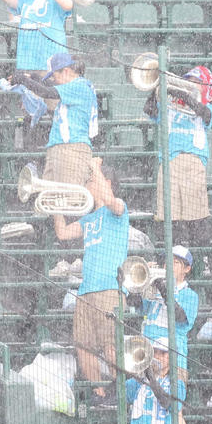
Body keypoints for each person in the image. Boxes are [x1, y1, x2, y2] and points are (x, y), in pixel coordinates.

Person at [53, 158, 129, 403]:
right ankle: (99, 391)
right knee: (83, 346)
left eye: (91, 181)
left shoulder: (118, 210)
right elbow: (63, 233)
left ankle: (118, 389)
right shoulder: (88, 219)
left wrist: (95, 168)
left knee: (111, 345)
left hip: (109, 288)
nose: (87, 185)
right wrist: (54, 206)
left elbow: (112, 202)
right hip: (86, 290)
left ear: (106, 182)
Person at [144, 65, 212, 250]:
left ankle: (201, 257)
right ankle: (174, 256)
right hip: (168, 161)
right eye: (188, 81)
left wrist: (186, 96)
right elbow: (149, 110)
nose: (190, 84)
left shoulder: (209, 107)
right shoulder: (170, 105)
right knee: (171, 216)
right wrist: (156, 89)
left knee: (196, 216)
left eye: (196, 82)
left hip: (193, 160)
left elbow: (205, 115)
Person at [22, 52, 97, 187]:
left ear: (66, 71)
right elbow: (49, 86)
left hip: (71, 149)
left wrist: (25, 81)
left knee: (69, 200)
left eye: (55, 76)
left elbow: (47, 92)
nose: (54, 80)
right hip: (59, 148)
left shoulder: (79, 85)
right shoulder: (72, 87)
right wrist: (34, 78)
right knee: (49, 199)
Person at [3, 0, 74, 79]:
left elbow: (68, 4)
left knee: (51, 95)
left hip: (53, 61)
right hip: (28, 59)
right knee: (30, 95)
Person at [138, 246, 199, 376]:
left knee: (170, 393)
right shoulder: (154, 288)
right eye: (167, 261)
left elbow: (179, 316)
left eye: (176, 262)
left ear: (187, 269)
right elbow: (135, 303)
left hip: (172, 354)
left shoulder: (190, 294)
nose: (169, 265)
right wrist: (142, 280)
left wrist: (162, 286)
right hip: (147, 349)